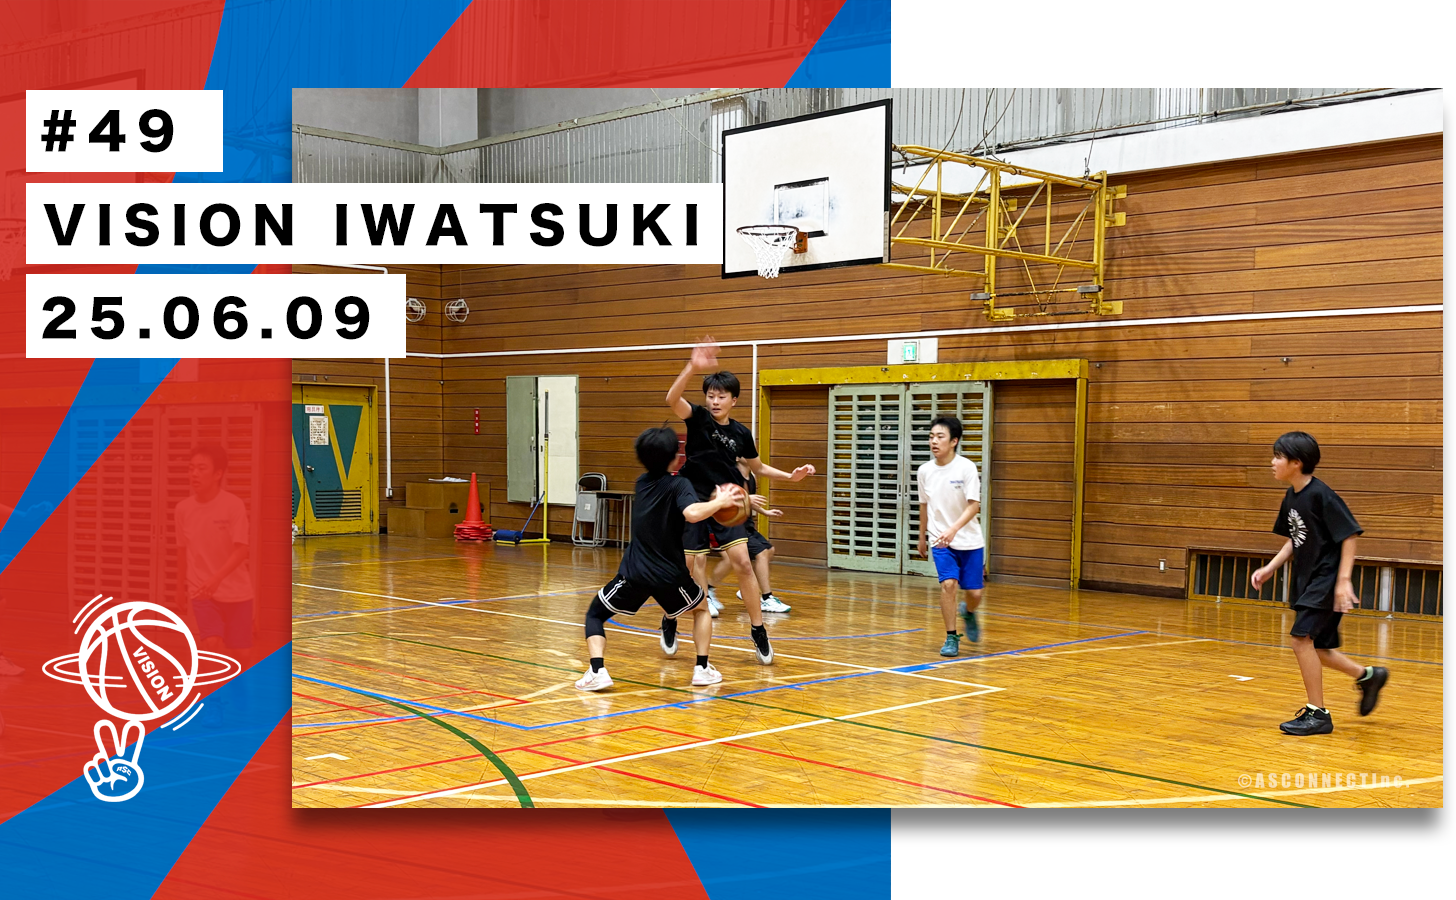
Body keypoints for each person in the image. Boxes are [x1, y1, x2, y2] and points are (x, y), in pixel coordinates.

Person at [665, 338, 815, 665]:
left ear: (734, 400)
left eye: (721, 396)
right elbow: (671, 398)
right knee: (690, 566)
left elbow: (758, 467)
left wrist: (791, 477)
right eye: (711, 395)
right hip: (693, 498)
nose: (715, 401)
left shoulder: (741, 433)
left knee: (744, 564)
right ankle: (671, 617)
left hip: (728, 502)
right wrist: (692, 366)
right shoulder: (697, 417)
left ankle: (758, 629)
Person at [575, 426, 744, 692]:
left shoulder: (641, 483)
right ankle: (702, 669)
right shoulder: (679, 484)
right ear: (676, 458)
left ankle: (598, 671)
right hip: (669, 575)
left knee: (595, 614)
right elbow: (692, 513)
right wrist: (720, 502)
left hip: (634, 573)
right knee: (701, 610)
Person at [1251, 431, 1388, 735]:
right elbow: (1295, 537)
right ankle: (1368, 676)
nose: (1272, 462)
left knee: (1300, 640)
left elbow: (1349, 535)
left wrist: (1343, 581)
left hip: (1326, 580)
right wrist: (1270, 568)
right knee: (1320, 649)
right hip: (1309, 580)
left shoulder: (1322, 495)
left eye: (1278, 457)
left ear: (1296, 463)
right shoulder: (1292, 496)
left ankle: (1318, 714)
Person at [176, 444, 253, 666]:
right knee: (212, 644)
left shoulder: (233, 505)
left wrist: (216, 579)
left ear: (218, 474)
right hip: (201, 589)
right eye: (191, 468)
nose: (194, 474)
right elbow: (182, 549)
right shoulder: (183, 509)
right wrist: (179, 588)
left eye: (201, 468)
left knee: (242, 655)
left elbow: (242, 550)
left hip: (236, 591)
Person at [916, 416, 985, 658]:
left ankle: (969, 612)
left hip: (969, 540)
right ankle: (951, 636)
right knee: (948, 585)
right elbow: (924, 506)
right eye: (931, 437)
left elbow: (974, 505)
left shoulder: (966, 468)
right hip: (940, 540)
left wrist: (954, 529)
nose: (934, 441)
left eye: (940, 436)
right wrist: (922, 536)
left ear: (954, 441)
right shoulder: (924, 471)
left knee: (975, 594)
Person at [708, 460, 789, 613]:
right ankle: (766, 598)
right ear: (738, 457)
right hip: (730, 525)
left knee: (768, 550)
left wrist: (765, 512)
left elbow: (750, 501)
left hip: (746, 524)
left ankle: (745, 588)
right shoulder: (730, 475)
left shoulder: (751, 476)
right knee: (756, 554)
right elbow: (721, 500)